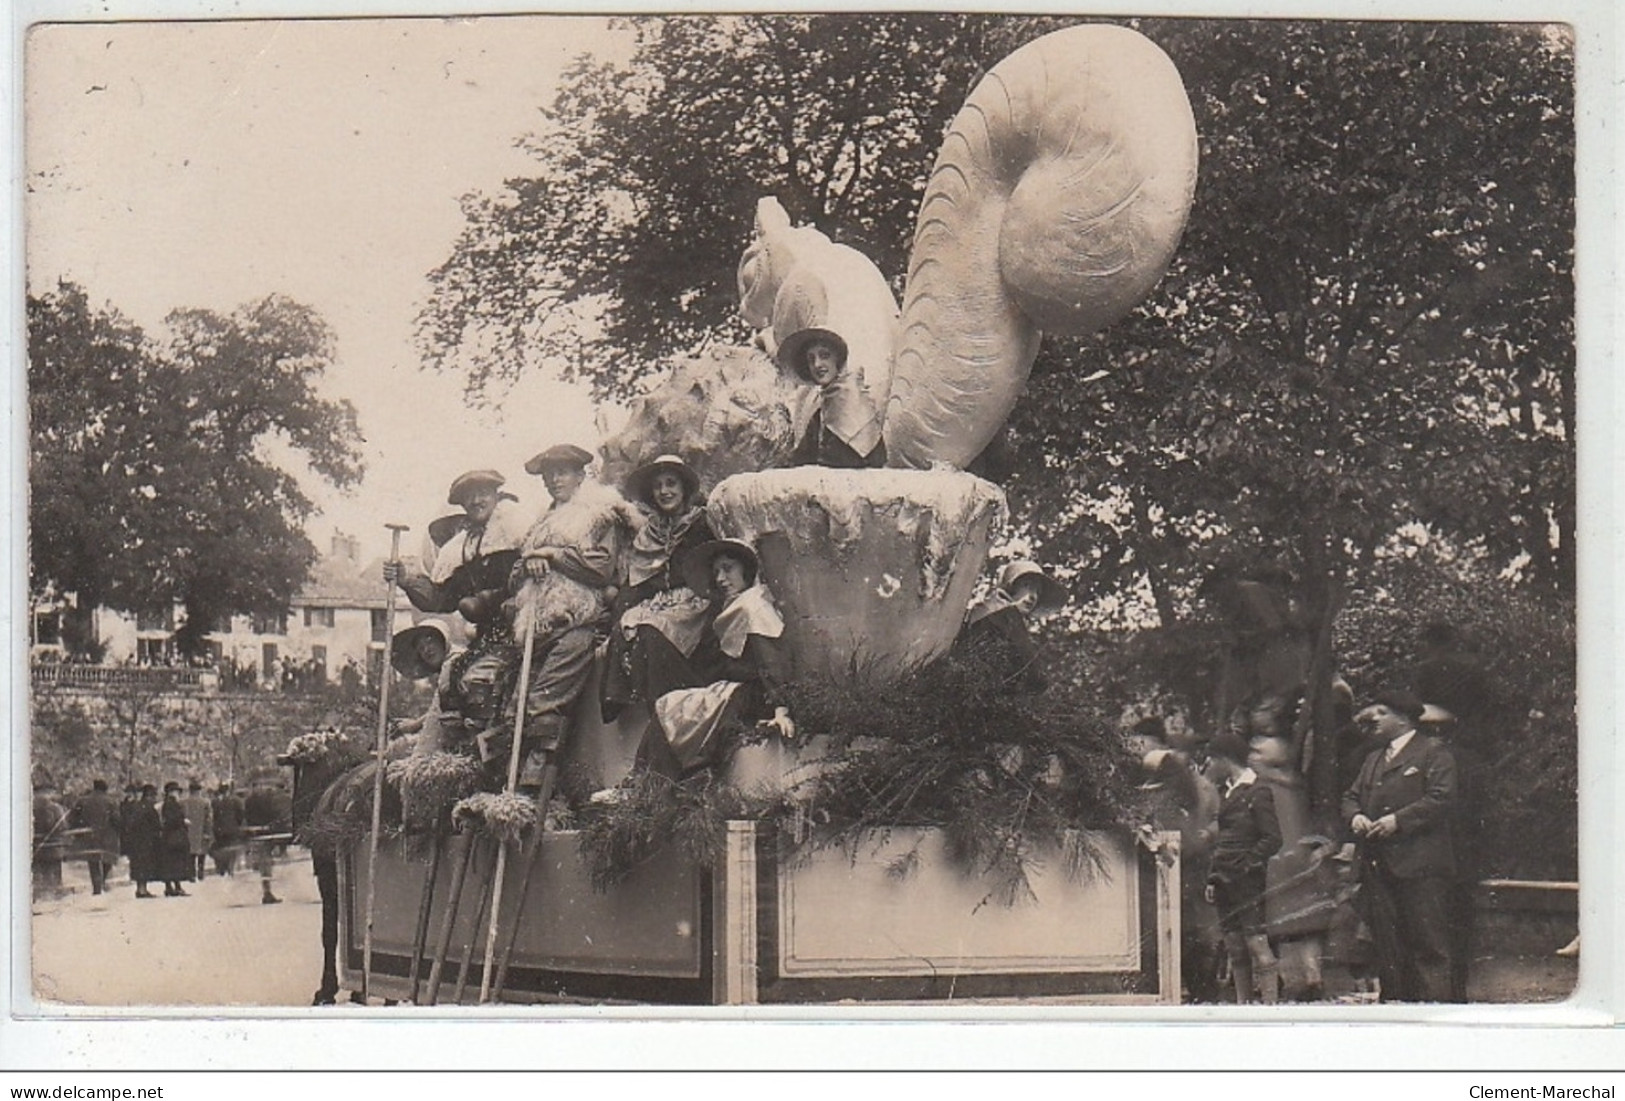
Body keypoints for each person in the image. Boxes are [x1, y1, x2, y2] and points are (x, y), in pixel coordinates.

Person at [498, 443, 639, 786]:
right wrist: (529, 564)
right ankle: (508, 782)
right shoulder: (541, 524)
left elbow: (601, 568)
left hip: (580, 622)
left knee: (544, 703)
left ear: (580, 475)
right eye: (548, 475)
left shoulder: (599, 514)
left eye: (562, 472)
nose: (554, 480)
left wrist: (554, 555)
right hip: (537, 625)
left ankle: (538, 780)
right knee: (513, 707)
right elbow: (514, 576)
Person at [611, 538, 795, 785]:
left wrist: (781, 710)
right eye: (716, 571)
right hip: (733, 690)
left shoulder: (753, 607)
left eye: (728, 568)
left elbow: (771, 661)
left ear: (747, 570)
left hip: (751, 695)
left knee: (674, 708)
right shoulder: (729, 608)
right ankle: (642, 782)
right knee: (669, 705)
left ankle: (646, 784)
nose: (720, 578)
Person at [1341, 688, 1458, 1003]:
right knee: (1388, 945)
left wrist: (1398, 821)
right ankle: (1395, 1011)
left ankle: (1434, 1013)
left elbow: (1442, 798)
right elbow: (1351, 796)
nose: (1373, 719)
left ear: (1404, 719)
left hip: (1420, 866)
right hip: (1378, 865)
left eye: (1382, 713)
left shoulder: (1434, 752)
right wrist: (1356, 818)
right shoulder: (1373, 759)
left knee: (1429, 946)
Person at [601, 454, 716, 722]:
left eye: (671, 483)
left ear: (684, 488)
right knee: (628, 626)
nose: (665, 491)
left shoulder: (702, 523)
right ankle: (630, 703)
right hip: (660, 604)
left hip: (696, 602)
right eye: (658, 486)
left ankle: (675, 713)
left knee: (651, 632)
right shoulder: (649, 533)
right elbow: (637, 582)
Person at [1128, 718, 1223, 1003]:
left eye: (1138, 743)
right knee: (1173, 934)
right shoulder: (1165, 776)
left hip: (1178, 864)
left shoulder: (1168, 772)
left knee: (1181, 933)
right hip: (1173, 867)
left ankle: (1198, 994)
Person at [1203, 730, 1282, 1004]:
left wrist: (1247, 865)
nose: (1209, 765)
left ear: (1225, 759)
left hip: (1246, 882)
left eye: (1212, 759)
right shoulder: (1227, 791)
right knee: (1235, 946)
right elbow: (1224, 840)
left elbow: (1273, 838)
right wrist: (1214, 878)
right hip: (1224, 880)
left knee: (1256, 943)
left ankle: (1270, 1007)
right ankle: (1243, 1006)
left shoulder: (1258, 790)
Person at [779, 328, 886, 469]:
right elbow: (801, 457)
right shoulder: (821, 407)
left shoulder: (852, 398)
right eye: (811, 359)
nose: (817, 364)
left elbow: (847, 460)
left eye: (824, 355)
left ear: (837, 359)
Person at [955, 560, 1066, 694]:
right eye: (1027, 585)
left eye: (1037, 591)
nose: (1033, 597)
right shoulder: (1004, 615)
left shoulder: (995, 613)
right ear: (1012, 585)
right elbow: (1035, 673)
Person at [244, 771, 294, 905]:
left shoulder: (248, 800)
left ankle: (267, 890)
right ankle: (267, 892)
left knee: (264, 861)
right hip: (265, 833)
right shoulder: (265, 798)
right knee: (266, 861)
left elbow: (246, 817)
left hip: (256, 833)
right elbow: (271, 814)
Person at [69, 779, 120, 896]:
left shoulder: (82, 801)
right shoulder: (111, 801)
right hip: (107, 836)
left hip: (89, 836)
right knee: (107, 859)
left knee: (93, 862)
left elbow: (72, 817)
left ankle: (96, 886)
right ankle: (103, 880)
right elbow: (116, 819)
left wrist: (79, 829)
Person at [31, 782, 70, 898]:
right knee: (55, 872)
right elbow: (63, 826)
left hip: (36, 847)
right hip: (54, 846)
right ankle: (56, 892)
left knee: (39, 871)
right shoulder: (56, 808)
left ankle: (40, 894)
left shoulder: (29, 807)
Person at [124, 783, 162, 899]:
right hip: (147, 841)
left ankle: (140, 888)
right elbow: (156, 825)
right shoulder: (150, 808)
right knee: (145, 865)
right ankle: (142, 890)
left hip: (136, 841)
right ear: (150, 796)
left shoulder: (136, 806)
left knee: (138, 865)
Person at [157, 781, 192, 897]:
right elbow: (173, 820)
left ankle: (170, 887)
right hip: (174, 836)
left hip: (169, 836)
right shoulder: (172, 804)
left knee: (170, 862)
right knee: (176, 861)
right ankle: (176, 887)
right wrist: (183, 821)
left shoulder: (167, 804)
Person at [210, 782, 246, 876]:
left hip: (219, 829)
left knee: (222, 847)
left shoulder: (215, 801)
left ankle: (222, 868)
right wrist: (237, 824)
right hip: (232, 828)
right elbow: (241, 814)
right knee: (231, 848)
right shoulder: (235, 800)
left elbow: (214, 816)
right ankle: (230, 868)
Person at [182, 779, 214, 882]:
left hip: (188, 831)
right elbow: (208, 819)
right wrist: (208, 832)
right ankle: (200, 873)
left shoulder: (183, 802)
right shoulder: (205, 802)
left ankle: (191, 874)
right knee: (202, 853)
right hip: (201, 831)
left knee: (190, 853)